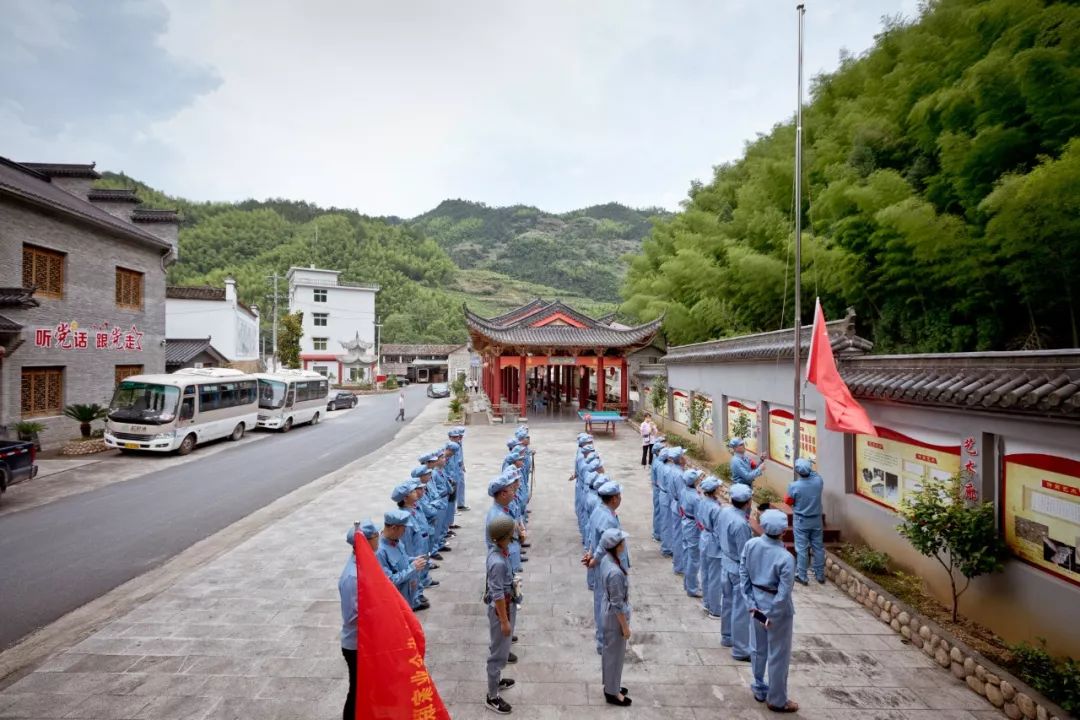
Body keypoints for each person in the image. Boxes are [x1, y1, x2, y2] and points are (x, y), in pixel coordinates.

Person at [740, 509, 798, 713]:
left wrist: (750, 602)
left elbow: (743, 573)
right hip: (776, 611)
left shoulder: (751, 544)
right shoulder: (785, 558)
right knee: (778, 654)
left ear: (762, 526)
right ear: (784, 531)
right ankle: (777, 699)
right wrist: (771, 614)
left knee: (757, 648)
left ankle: (759, 686)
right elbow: (783, 593)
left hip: (755, 603)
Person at [339, 519, 379, 720]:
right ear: (366, 541)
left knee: (367, 686)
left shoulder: (366, 563)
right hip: (355, 645)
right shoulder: (352, 577)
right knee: (356, 689)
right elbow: (352, 617)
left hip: (366, 640)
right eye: (375, 536)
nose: (378, 539)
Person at [584, 481, 627, 656]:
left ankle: (603, 639)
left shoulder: (600, 511)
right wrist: (594, 559)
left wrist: (590, 553)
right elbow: (604, 543)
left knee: (602, 600)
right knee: (606, 602)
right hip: (607, 564)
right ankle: (604, 642)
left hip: (603, 562)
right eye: (619, 496)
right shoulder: (607, 517)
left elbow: (591, 535)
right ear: (614, 498)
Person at [484, 514, 519, 715]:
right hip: (501, 609)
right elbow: (497, 594)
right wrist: (505, 621)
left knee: (502, 649)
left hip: (506, 604)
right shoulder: (497, 561)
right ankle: (492, 696)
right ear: (504, 537)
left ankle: (496, 682)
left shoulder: (498, 551)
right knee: (498, 654)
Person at [718, 483, 755, 659]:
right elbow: (744, 553)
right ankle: (741, 649)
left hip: (725, 562)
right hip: (737, 568)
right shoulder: (741, 524)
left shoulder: (725, 511)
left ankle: (727, 635)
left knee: (727, 602)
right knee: (740, 609)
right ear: (748, 503)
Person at [598, 527, 632, 707]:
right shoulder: (615, 573)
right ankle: (612, 692)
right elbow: (618, 603)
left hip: (608, 609)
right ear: (616, 546)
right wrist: (625, 627)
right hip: (614, 617)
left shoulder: (607, 560)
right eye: (622, 542)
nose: (624, 544)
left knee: (610, 652)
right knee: (615, 655)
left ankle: (612, 684)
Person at [376, 509, 428, 610]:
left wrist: (413, 560)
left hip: (407, 595)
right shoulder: (380, 552)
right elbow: (389, 580)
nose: (405, 532)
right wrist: (413, 568)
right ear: (394, 528)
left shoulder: (395, 540)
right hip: (397, 602)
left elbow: (402, 559)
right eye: (404, 529)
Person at [787, 457, 826, 585]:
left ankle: (802, 575)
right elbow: (815, 474)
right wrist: (810, 463)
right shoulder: (818, 482)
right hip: (816, 520)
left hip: (801, 520)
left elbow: (788, 501)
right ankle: (820, 574)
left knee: (802, 548)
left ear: (798, 471)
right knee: (818, 547)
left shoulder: (794, 486)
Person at [698, 476, 723, 618]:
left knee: (706, 573)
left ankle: (707, 603)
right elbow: (719, 530)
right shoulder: (715, 508)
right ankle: (714, 609)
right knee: (715, 578)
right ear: (714, 490)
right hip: (714, 542)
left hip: (705, 537)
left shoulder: (703, 502)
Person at [679, 468, 705, 597]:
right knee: (694, 559)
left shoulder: (684, 491)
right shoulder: (696, 498)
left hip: (685, 523)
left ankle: (687, 583)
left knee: (687, 554)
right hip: (693, 527)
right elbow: (699, 518)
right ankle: (692, 588)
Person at [649, 439, 667, 541]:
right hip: (658, 489)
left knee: (658, 511)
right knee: (659, 512)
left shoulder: (656, 459)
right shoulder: (659, 463)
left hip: (657, 488)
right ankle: (657, 534)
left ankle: (657, 533)